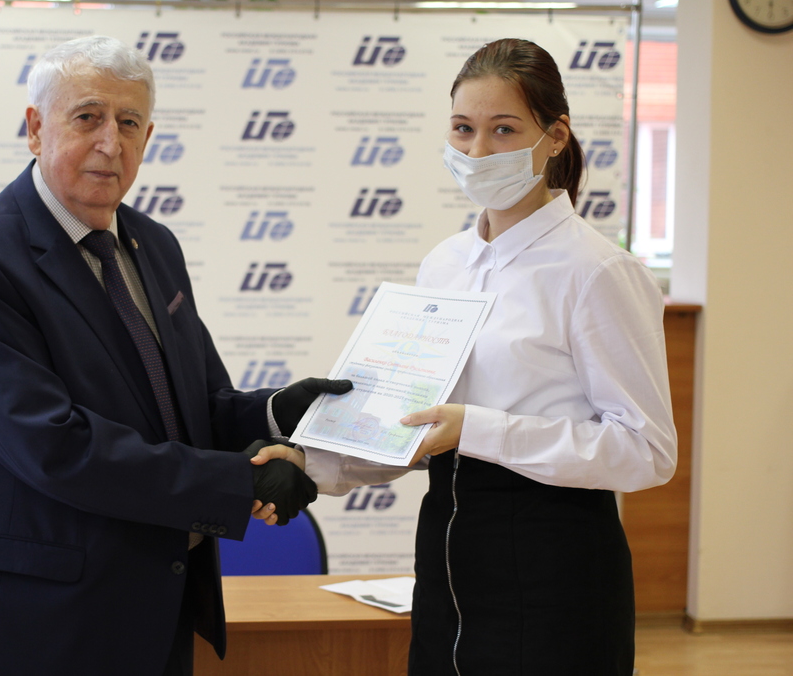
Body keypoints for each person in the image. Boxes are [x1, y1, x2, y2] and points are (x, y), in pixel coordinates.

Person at [0, 36, 349, 676]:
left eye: (129, 123)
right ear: (35, 128)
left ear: (148, 136)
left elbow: (193, 408)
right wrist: (237, 482)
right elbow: (53, 447)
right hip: (35, 627)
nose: (110, 143)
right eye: (87, 117)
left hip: (154, 607)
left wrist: (279, 413)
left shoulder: (153, 244)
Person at [253, 38, 677, 675]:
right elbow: (414, 422)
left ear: (555, 136)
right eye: (463, 129)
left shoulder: (597, 272)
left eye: (504, 129)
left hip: (556, 569)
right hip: (446, 562)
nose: (478, 151)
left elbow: (646, 451)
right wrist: (310, 461)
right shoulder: (445, 263)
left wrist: (476, 429)